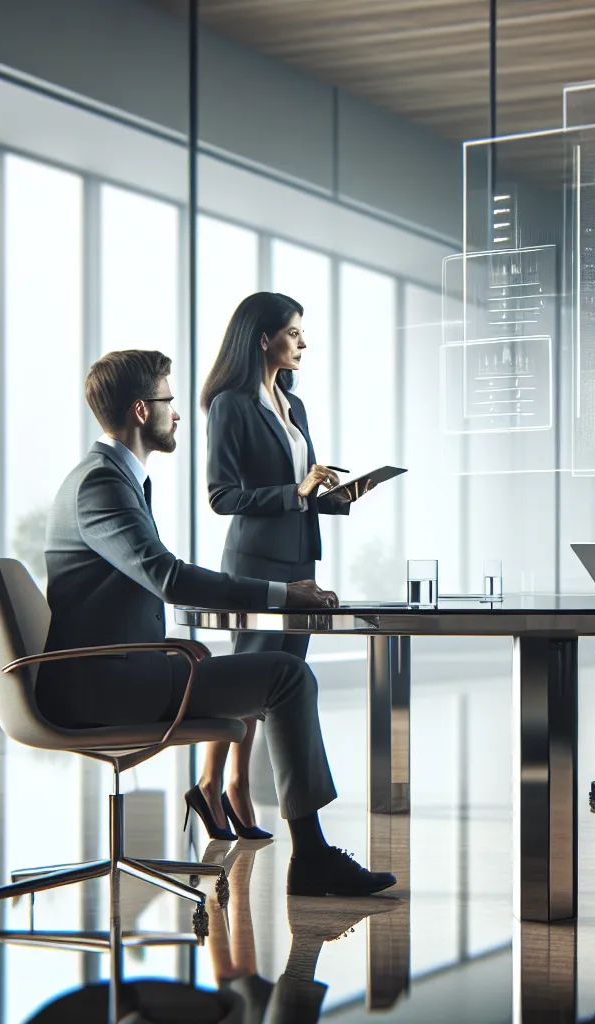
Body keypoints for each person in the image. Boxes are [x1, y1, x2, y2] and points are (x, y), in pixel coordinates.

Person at [37, 348, 394, 897]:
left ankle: (267, 822)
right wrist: (282, 593)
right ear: (140, 411)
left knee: (248, 666)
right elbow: (169, 578)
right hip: (103, 689)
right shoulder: (100, 485)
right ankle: (313, 857)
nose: (177, 413)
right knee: (286, 675)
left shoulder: (112, 477)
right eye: (168, 400)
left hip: (117, 674)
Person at [189, 292, 375, 843]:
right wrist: (295, 490)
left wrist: (329, 494)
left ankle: (232, 785)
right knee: (249, 677)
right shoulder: (230, 404)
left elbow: (297, 493)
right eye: (293, 332)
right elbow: (222, 496)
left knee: (272, 685)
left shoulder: (293, 405)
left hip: (299, 556)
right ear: (262, 337)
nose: (302, 342)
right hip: (253, 563)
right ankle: (216, 784)